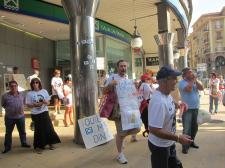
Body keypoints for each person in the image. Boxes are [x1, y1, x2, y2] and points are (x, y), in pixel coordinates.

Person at [148, 66, 193, 168]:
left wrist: (178, 105)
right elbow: (154, 129)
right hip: (159, 147)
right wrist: (178, 138)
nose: (176, 81)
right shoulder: (158, 102)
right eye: (173, 78)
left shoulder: (166, 94)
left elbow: (170, 101)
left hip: (168, 142)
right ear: (164, 81)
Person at [104, 60, 140, 164]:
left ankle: (120, 139)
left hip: (130, 109)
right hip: (118, 109)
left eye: (125, 66)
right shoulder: (112, 77)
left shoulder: (127, 78)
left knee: (135, 128)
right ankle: (120, 154)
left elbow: (132, 94)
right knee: (121, 132)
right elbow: (104, 91)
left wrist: (135, 87)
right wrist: (110, 85)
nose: (123, 68)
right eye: (121, 66)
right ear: (117, 67)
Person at [25, 78, 61, 154]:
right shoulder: (29, 93)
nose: (35, 84)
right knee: (39, 130)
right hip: (35, 114)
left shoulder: (44, 91)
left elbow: (48, 102)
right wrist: (34, 104)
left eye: (36, 82)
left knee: (49, 127)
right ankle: (40, 146)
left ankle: (51, 143)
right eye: (33, 83)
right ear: (31, 84)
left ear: (39, 83)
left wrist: (45, 102)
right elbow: (28, 104)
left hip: (44, 112)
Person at [178, 67, 204, 154]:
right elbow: (188, 90)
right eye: (189, 72)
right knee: (187, 128)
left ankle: (191, 142)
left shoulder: (194, 81)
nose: (191, 73)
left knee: (195, 127)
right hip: (187, 109)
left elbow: (202, 88)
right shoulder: (181, 83)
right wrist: (192, 80)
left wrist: (195, 80)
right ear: (184, 75)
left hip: (196, 107)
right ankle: (185, 146)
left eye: (191, 72)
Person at [1, 80, 30, 154]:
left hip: (20, 117)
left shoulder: (22, 95)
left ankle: (23, 143)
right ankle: (7, 147)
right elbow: (3, 105)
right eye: (12, 86)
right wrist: (10, 110)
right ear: (9, 87)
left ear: (17, 87)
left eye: (15, 86)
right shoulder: (5, 96)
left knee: (22, 131)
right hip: (9, 118)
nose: (13, 87)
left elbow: (24, 104)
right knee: (8, 133)